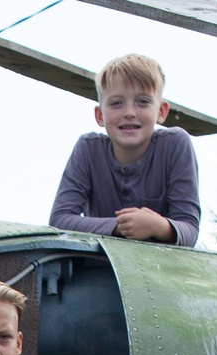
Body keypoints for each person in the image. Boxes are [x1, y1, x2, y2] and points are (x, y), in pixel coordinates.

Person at [48, 53, 200, 247]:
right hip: (101, 263)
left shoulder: (175, 144)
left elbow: (190, 229)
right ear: (100, 115)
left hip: (162, 263)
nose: (129, 112)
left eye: (143, 101)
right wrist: (119, 226)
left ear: (161, 111)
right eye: (116, 103)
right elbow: (59, 220)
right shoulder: (88, 149)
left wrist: (158, 226)